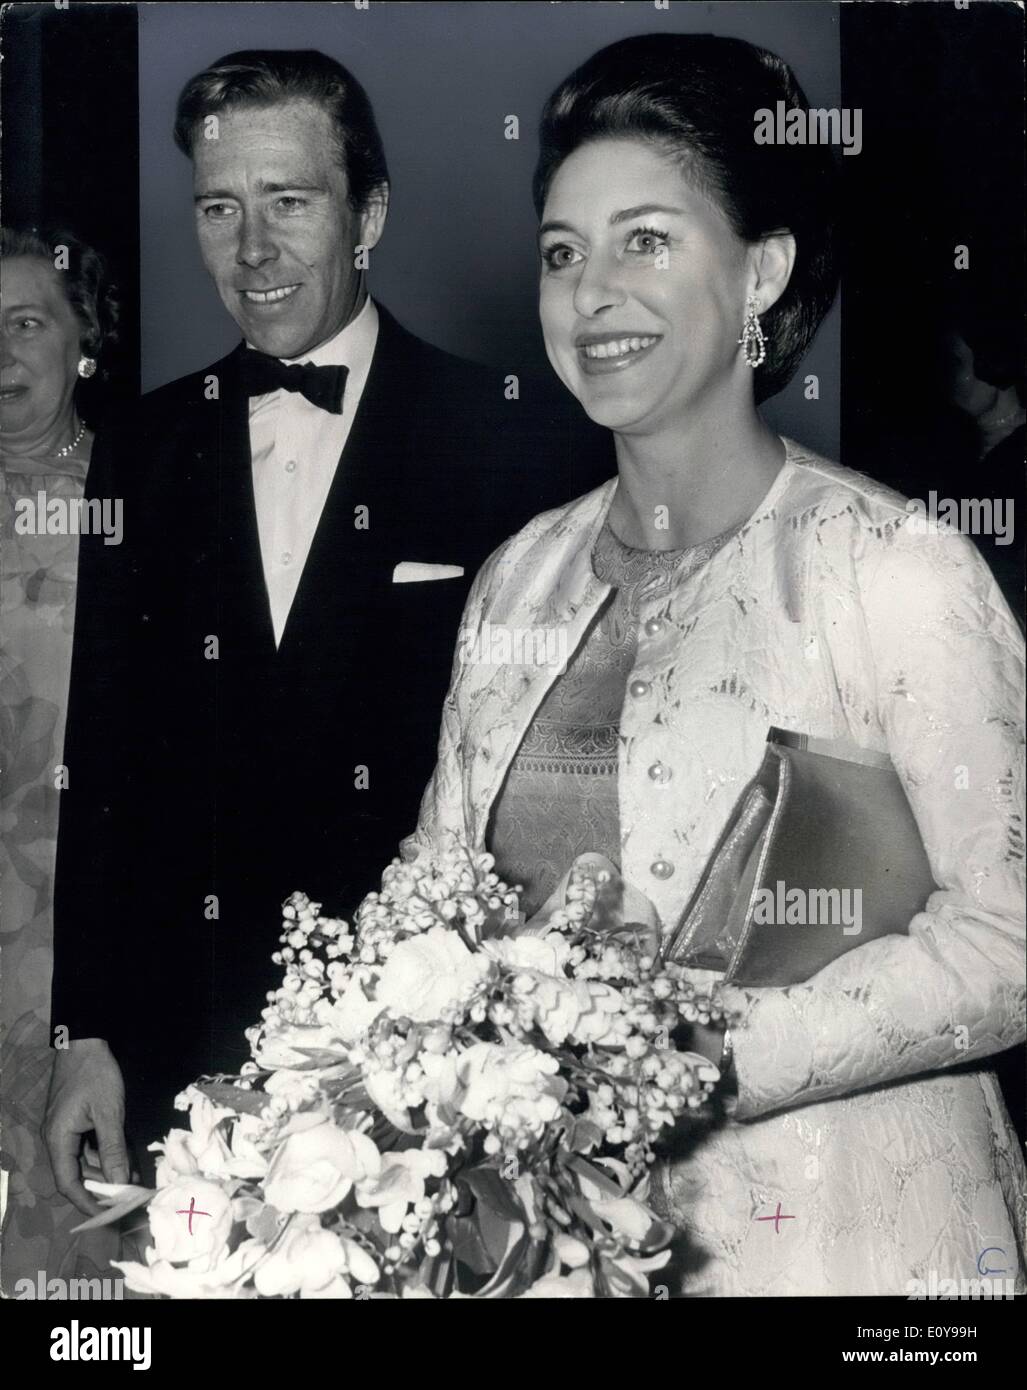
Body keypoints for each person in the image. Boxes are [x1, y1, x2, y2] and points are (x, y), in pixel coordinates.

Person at [403, 34, 1026, 1295]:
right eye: (562, 253)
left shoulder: (893, 569)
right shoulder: (515, 579)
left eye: (645, 240)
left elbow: (1011, 940)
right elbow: (436, 895)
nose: (590, 294)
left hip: (857, 1246)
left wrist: (698, 1049)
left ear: (763, 274)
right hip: (558, 1252)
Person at [46, 49, 612, 1214]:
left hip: (430, 1062)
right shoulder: (143, 450)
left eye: (290, 202)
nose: (252, 252)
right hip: (181, 1044)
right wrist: (84, 1030)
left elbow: (558, 793)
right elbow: (99, 762)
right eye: (220, 208)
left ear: (370, 213)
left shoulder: (517, 443)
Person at [1, 226, 122, 1288]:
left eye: (26, 321)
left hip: (77, 929)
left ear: (85, 339)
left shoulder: (146, 502)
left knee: (69, 1221)